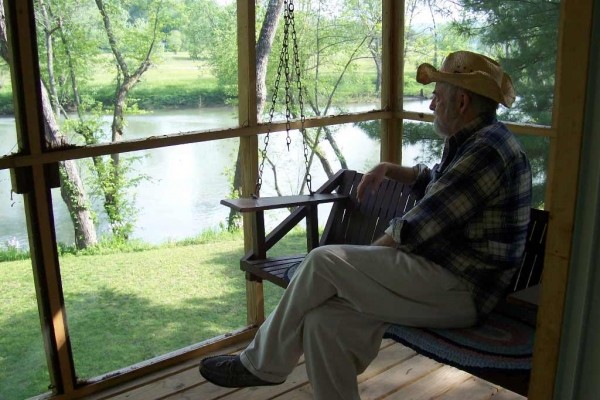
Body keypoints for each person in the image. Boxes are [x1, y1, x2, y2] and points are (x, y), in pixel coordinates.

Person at [198, 50, 532, 400]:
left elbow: (418, 225)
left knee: (324, 261)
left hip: (461, 290)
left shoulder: (488, 151)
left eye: (436, 97)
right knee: (323, 323)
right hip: (437, 279)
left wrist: (358, 264)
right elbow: (437, 180)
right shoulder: (476, 141)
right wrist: (389, 167)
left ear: (461, 101)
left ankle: (260, 364)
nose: (432, 105)